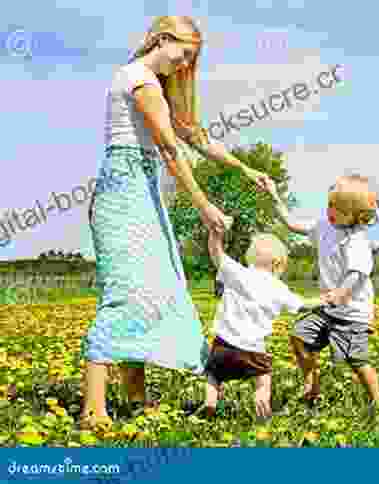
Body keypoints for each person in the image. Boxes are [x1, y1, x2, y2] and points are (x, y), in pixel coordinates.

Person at [80, 16, 273, 428]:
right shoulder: (139, 79)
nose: (185, 66)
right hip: (123, 193)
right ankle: (92, 410)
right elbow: (170, 149)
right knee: (125, 293)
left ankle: (135, 397)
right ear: (163, 39)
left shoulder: (155, 84)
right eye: (184, 54)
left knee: (150, 290)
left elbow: (196, 138)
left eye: (191, 60)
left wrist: (244, 169)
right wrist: (204, 206)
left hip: (142, 191)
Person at [263, 174, 379, 413]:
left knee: (356, 360)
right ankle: (312, 387)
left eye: (337, 208)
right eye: (329, 204)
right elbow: (291, 224)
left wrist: (339, 294)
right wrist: (273, 195)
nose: (330, 210)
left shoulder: (356, 240)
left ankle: (378, 403)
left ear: (356, 216)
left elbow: (356, 274)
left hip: (351, 313)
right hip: (328, 308)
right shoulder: (324, 226)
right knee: (299, 335)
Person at [192, 228, 323, 422]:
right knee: (263, 380)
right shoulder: (278, 287)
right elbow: (302, 305)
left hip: (222, 345)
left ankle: (210, 403)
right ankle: (262, 411)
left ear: (250, 257)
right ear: (278, 264)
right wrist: (325, 299)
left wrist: (215, 233)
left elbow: (216, 253)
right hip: (253, 350)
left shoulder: (237, 272)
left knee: (213, 375)